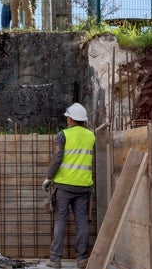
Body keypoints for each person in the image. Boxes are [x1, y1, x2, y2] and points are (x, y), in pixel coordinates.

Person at [42, 103, 95, 269]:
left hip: (64, 186)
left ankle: (55, 259)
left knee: (60, 221)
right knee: (82, 222)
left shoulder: (62, 135)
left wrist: (48, 177)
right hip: (84, 186)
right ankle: (82, 259)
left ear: (70, 119)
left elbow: (57, 159)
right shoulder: (91, 136)